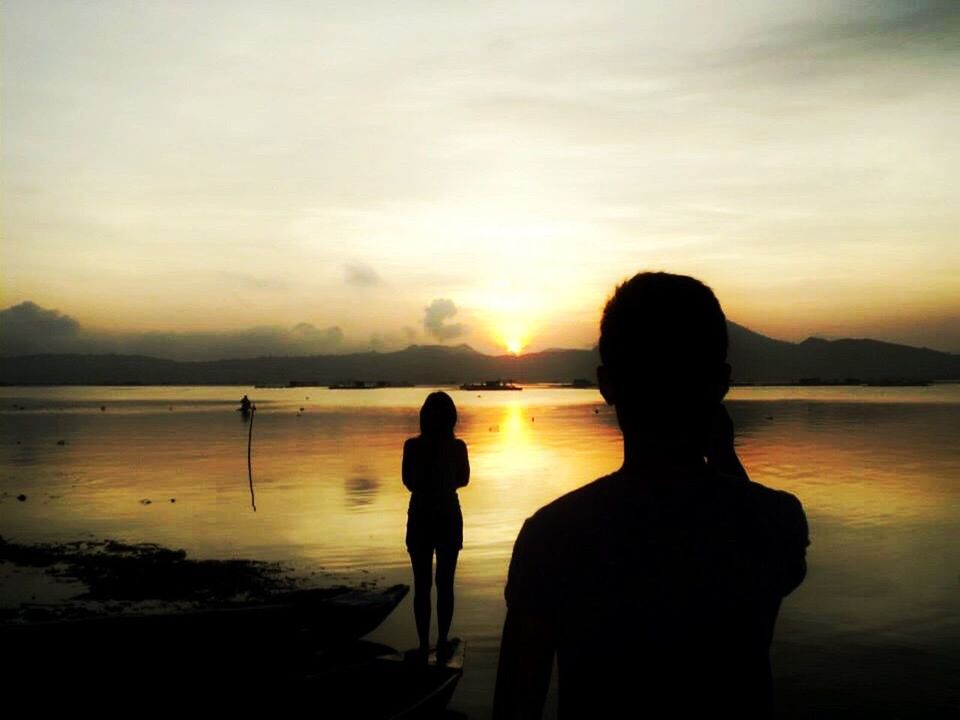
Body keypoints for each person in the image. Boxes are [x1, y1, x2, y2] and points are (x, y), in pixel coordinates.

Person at [493, 272, 809, 718]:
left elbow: (514, 706)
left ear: (607, 384)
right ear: (720, 383)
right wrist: (722, 455)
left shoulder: (552, 537)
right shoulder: (774, 523)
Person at [403, 391, 470, 658]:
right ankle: (441, 641)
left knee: (422, 585)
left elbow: (408, 481)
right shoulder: (457, 447)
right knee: (445, 583)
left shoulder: (412, 446)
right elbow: (464, 479)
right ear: (451, 418)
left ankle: (422, 644)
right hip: (448, 515)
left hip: (420, 515)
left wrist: (427, 484)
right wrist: (444, 483)